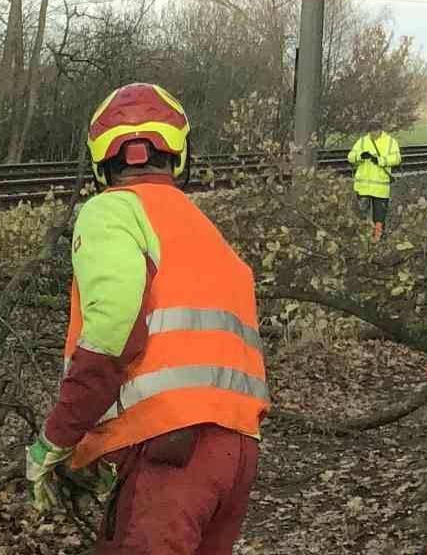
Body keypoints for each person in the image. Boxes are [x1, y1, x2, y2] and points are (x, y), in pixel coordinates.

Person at [26, 82, 270, 555]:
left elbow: (114, 328)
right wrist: (101, 448)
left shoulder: (110, 210)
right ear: (178, 154)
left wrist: (56, 438)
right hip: (237, 454)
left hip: (171, 457)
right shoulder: (201, 229)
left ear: (103, 162)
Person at [347, 120, 403, 242]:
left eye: (375, 131)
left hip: (380, 187)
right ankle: (364, 239)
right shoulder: (362, 141)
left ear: (380, 130)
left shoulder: (390, 142)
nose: (373, 134)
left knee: (379, 217)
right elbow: (351, 157)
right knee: (362, 217)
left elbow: (397, 158)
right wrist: (360, 156)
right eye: (371, 131)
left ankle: (378, 239)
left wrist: (380, 160)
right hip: (363, 187)